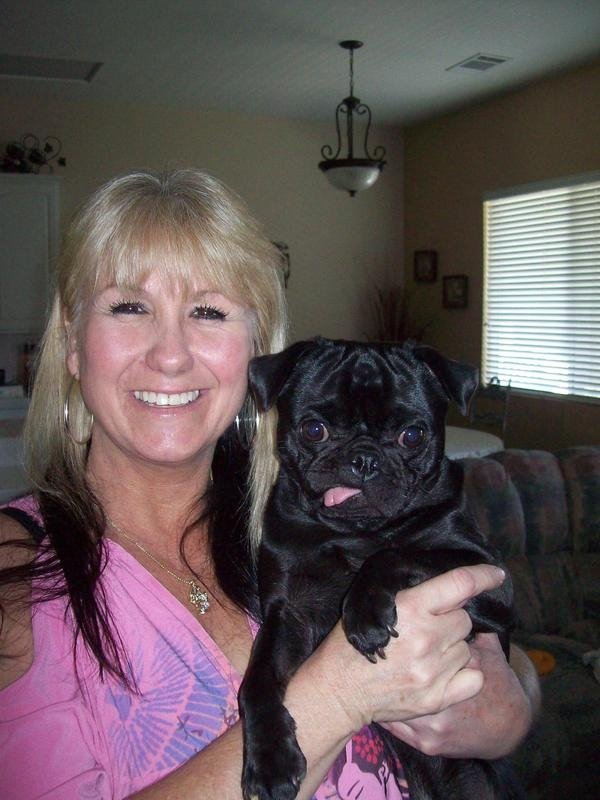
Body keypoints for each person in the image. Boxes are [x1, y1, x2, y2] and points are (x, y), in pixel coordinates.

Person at [0, 169, 539, 800]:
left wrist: (512, 710)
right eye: (129, 307)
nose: (170, 354)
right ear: (71, 339)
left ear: (254, 352)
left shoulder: (287, 513)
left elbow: (497, 641)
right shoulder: (17, 566)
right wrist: (341, 694)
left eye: (208, 311)